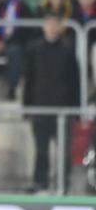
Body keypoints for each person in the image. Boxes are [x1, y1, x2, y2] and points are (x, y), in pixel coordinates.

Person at [24, 13, 80, 192]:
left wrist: (75, 110)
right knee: (41, 149)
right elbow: (29, 79)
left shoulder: (67, 49)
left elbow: (74, 81)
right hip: (40, 107)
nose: (52, 27)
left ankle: (63, 183)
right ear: (43, 26)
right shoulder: (34, 49)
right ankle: (40, 182)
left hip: (63, 107)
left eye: (55, 23)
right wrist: (27, 107)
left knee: (64, 149)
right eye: (48, 23)